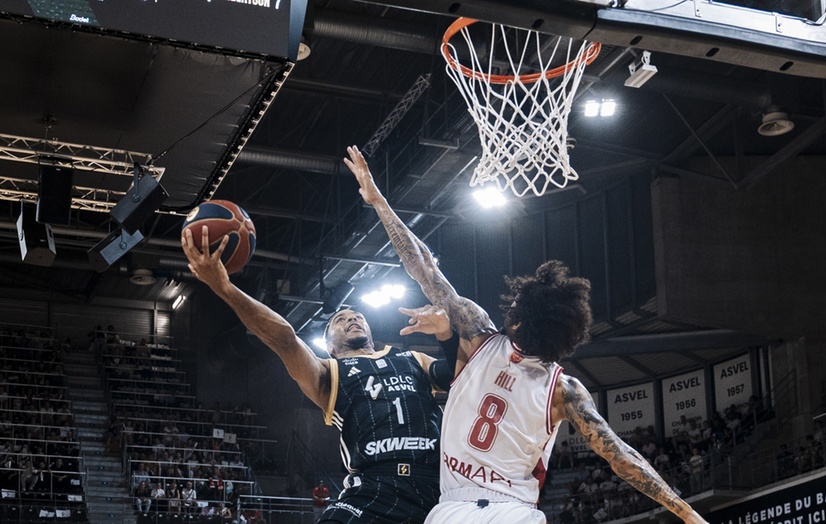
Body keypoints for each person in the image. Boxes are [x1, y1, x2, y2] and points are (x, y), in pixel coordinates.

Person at [345, 145, 710, 524]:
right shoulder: (564, 390)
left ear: (519, 319)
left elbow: (423, 266)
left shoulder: (478, 332)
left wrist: (378, 201)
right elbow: (619, 456)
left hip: (452, 511)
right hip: (514, 514)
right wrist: (687, 514)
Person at [182, 227, 461, 524]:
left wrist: (446, 335)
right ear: (329, 345)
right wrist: (224, 287)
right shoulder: (328, 372)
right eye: (341, 319)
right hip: (374, 486)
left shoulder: (411, 357)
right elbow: (284, 339)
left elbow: (458, 374)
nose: (352, 318)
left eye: (357, 316)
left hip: (437, 483)